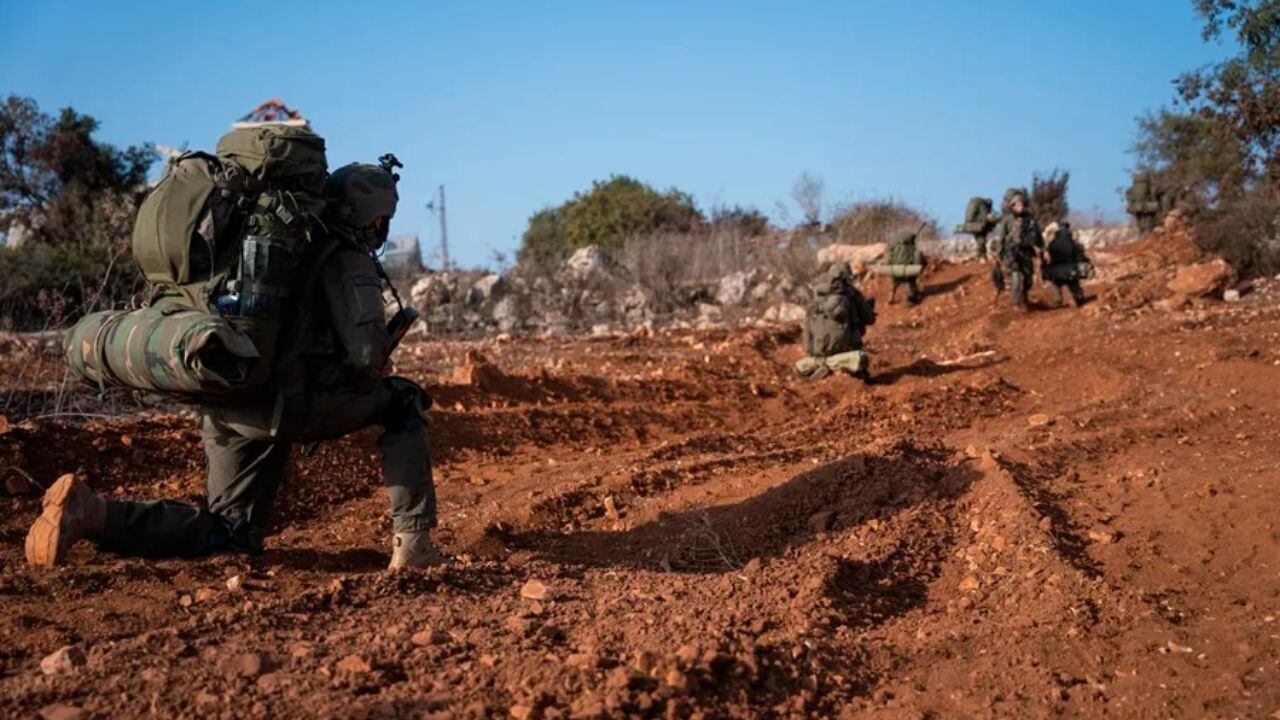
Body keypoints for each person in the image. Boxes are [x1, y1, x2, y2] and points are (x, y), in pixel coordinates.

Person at [26, 163, 444, 570]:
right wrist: (369, 366)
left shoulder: (262, 243)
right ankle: (414, 545)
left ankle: (93, 513)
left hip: (228, 396)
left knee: (229, 531)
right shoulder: (345, 256)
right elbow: (366, 356)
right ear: (374, 218)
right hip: (288, 408)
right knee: (403, 401)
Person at [794, 262, 877, 382]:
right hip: (845, 347)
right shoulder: (852, 294)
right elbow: (870, 319)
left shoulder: (817, 294)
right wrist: (865, 307)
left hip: (816, 350)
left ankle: (818, 365)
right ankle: (853, 369)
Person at [992, 190, 1043, 311]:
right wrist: (999, 254)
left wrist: (1043, 249)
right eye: (1017, 205)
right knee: (1016, 278)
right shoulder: (1007, 219)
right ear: (1013, 206)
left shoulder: (1030, 219)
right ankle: (1017, 302)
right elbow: (1002, 237)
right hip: (1012, 253)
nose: (1020, 207)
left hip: (1026, 252)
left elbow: (1038, 236)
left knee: (1028, 280)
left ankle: (1023, 297)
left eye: (1021, 204)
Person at [1042, 221, 1089, 307]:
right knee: (1073, 283)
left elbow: (1047, 259)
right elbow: (1080, 255)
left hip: (1057, 270)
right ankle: (1078, 298)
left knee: (1055, 283)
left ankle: (1057, 300)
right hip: (1071, 269)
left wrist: (1046, 269)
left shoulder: (1052, 243)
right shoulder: (1072, 242)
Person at [886, 230, 926, 305]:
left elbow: (888, 259)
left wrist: (891, 266)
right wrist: (918, 268)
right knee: (911, 281)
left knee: (894, 283)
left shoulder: (894, 247)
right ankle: (911, 297)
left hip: (896, 271)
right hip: (907, 271)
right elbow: (918, 259)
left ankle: (891, 297)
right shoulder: (912, 248)